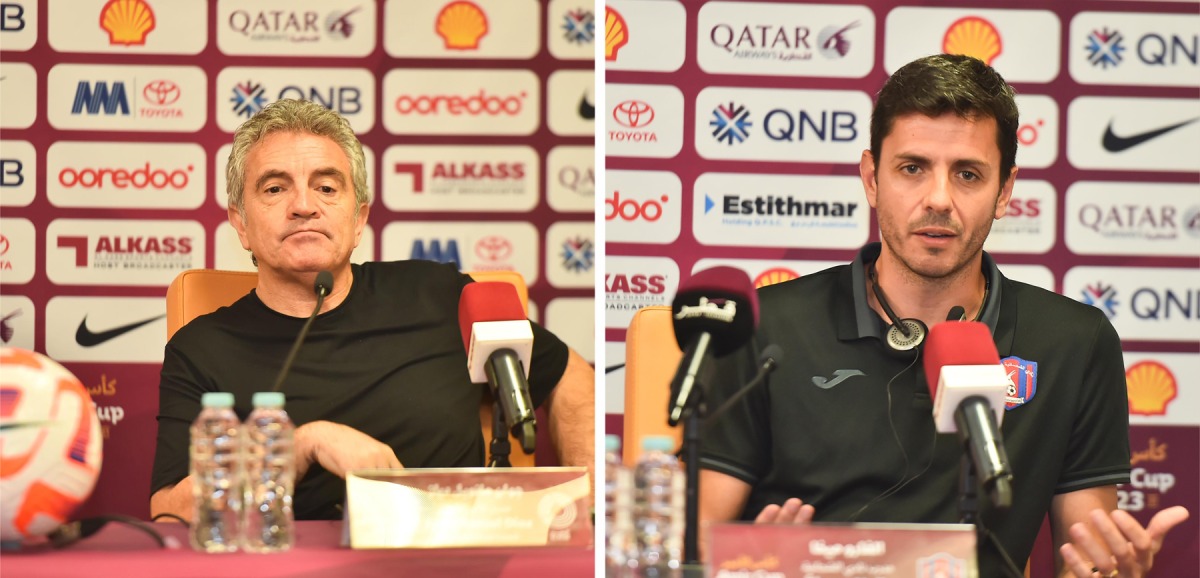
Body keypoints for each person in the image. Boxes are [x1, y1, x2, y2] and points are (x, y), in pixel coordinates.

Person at [697, 54, 1188, 577]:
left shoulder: (1074, 342)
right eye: (912, 168)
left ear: (1004, 192)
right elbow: (697, 539)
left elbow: (1085, 556)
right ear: (871, 178)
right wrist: (744, 565)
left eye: (968, 174)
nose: (938, 199)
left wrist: (1113, 571)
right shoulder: (764, 327)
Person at [150, 99, 595, 521]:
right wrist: (301, 445)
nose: (304, 206)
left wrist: (587, 506)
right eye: (274, 188)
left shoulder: (439, 295)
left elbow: (566, 375)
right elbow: (171, 507)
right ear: (241, 223)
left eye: (326, 187)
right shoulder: (202, 347)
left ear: (359, 219)